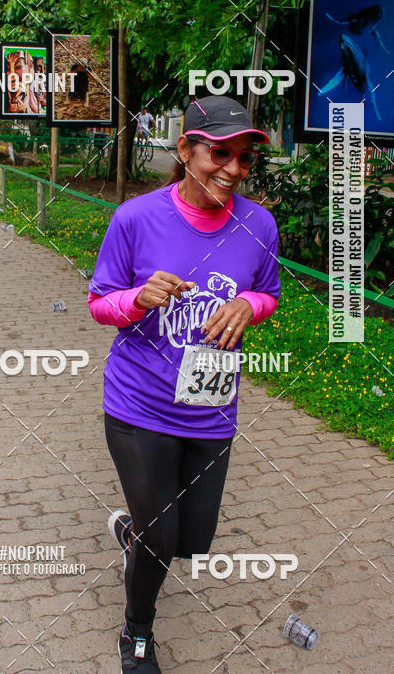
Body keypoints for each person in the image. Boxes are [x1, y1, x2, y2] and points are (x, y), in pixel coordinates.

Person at [88, 95, 281, 672]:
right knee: (160, 541)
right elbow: (100, 302)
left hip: (211, 408)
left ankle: (137, 530)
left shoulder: (259, 224)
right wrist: (135, 299)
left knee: (192, 543)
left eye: (244, 159)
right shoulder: (136, 217)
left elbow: (267, 290)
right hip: (139, 404)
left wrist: (250, 304)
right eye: (219, 153)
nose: (232, 169)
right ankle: (137, 633)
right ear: (186, 150)